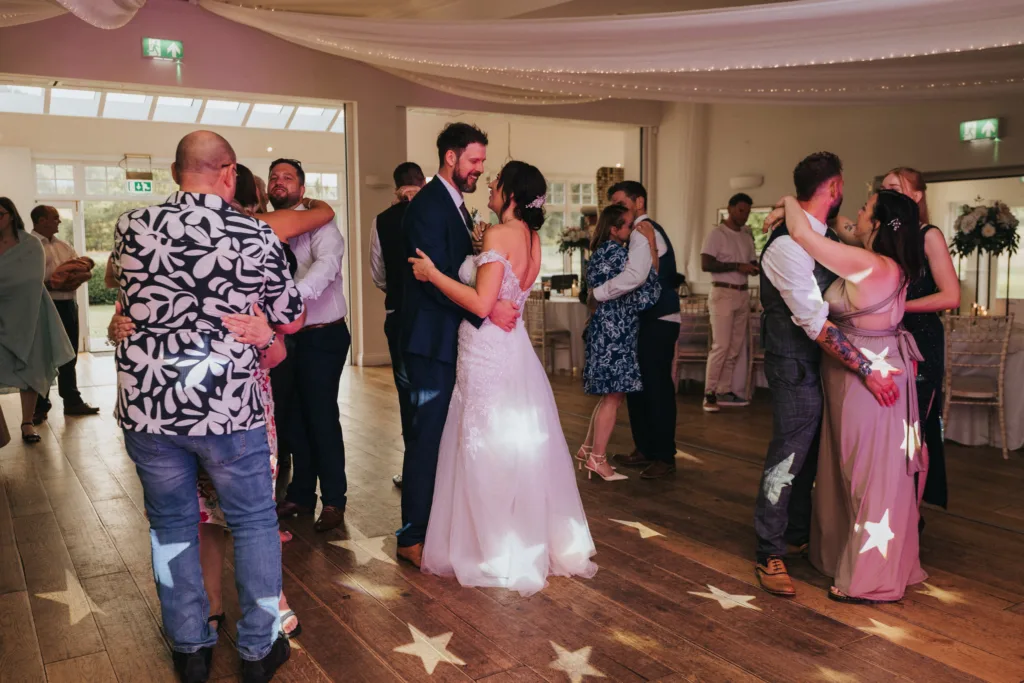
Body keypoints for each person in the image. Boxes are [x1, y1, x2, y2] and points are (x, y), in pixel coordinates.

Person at [112, 131, 305, 682]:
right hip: (227, 405)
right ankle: (258, 650)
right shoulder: (255, 233)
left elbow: (130, 303)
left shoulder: (130, 226)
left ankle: (190, 649)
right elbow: (291, 316)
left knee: (171, 525)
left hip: (151, 404)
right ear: (229, 173)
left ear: (177, 173)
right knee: (254, 522)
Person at [409, 160, 598, 595]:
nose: (489, 187)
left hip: (486, 348)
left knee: (484, 442)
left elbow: (481, 303)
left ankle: (490, 546)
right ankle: (519, 536)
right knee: (512, 444)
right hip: (514, 348)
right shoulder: (532, 238)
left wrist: (433, 274)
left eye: (495, 183)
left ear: (511, 193)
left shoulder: (499, 234)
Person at [754, 151, 900, 598]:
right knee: (788, 457)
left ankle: (798, 534)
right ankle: (768, 549)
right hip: (794, 363)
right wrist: (866, 368)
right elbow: (814, 324)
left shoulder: (825, 236)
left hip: (825, 368)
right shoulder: (785, 247)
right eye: (843, 186)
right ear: (834, 187)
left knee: (813, 456)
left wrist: (786, 202)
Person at [781, 189, 928, 603]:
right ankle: (844, 556)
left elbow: (802, 234)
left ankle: (871, 580)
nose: (856, 214)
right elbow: (844, 228)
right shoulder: (887, 261)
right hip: (863, 371)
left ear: (877, 224)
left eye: (865, 209)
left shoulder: (869, 264)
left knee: (868, 472)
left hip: (867, 378)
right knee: (854, 468)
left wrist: (790, 200)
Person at [394, 122, 519, 567]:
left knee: (445, 437)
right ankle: (411, 536)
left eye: (482, 161)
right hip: (431, 341)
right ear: (451, 157)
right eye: (474, 160)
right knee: (425, 439)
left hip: (452, 339)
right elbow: (432, 280)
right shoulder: (428, 206)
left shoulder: (455, 205)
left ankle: (439, 527)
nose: (480, 169)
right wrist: (485, 309)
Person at [267, 158, 351, 533]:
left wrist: (290, 301)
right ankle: (301, 494)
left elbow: (327, 267)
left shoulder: (322, 225)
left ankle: (334, 499)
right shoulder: (266, 227)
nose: (279, 182)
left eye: (287, 177)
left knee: (320, 416)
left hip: (323, 334)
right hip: (287, 337)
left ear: (302, 189)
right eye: (274, 177)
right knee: (293, 418)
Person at [880, 168, 959, 515]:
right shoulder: (881, 235)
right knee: (888, 428)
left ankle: (910, 513)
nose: (887, 194)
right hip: (886, 340)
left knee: (915, 428)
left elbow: (951, 296)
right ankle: (890, 504)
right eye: (883, 189)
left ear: (916, 196)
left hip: (921, 340)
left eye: (895, 188)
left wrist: (899, 307)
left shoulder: (929, 235)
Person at [597, 181, 682, 480]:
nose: (618, 210)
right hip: (643, 318)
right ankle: (645, 448)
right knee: (638, 386)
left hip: (659, 318)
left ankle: (664, 455)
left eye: (622, 203)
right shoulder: (634, 232)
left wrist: (599, 293)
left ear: (639, 202)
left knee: (656, 387)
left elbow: (639, 276)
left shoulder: (645, 231)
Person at [579, 205, 661, 482]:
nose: (632, 229)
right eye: (628, 225)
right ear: (614, 229)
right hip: (615, 331)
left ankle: (588, 449)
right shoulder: (616, 253)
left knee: (610, 396)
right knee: (614, 397)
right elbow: (644, 282)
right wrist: (650, 243)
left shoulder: (601, 252)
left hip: (606, 328)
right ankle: (597, 459)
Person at [370, 162, 427, 490]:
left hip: (399, 315)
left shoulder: (383, 220)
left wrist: (398, 288)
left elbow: (378, 274)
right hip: (436, 316)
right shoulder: (436, 214)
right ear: (423, 183)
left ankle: (413, 469)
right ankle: (440, 467)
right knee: (438, 392)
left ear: (396, 186)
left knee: (407, 395)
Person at [0, 197, 75, 444]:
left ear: (11, 215)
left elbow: (30, 279)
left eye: (0, 214)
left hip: (30, 312)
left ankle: (27, 422)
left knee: (30, 369)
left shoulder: (30, 244)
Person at [30, 204, 101, 423]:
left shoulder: (65, 246)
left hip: (68, 305)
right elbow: (24, 280)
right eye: (54, 217)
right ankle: (39, 406)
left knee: (69, 354)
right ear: (41, 221)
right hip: (41, 306)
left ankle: (72, 401)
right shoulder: (28, 246)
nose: (59, 221)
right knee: (42, 357)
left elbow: (81, 268)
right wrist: (52, 284)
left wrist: (78, 276)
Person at [700, 193, 758, 412]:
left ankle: (723, 391)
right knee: (721, 346)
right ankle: (709, 394)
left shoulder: (746, 236)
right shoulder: (717, 234)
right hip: (723, 293)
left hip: (742, 294)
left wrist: (755, 267)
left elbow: (751, 263)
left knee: (734, 347)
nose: (744, 216)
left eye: (748, 212)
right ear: (730, 208)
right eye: (741, 210)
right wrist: (737, 266)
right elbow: (706, 264)